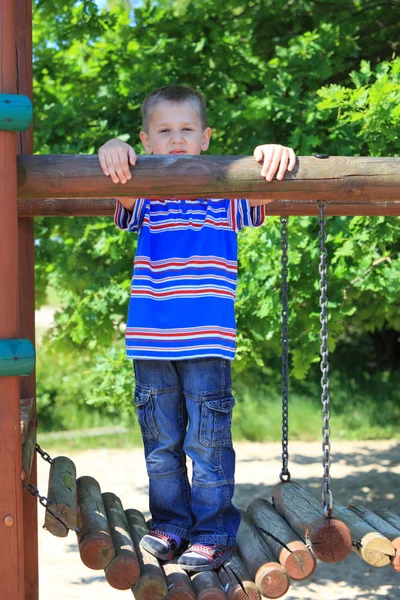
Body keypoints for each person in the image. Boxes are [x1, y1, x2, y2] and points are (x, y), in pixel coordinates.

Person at [98, 84, 296, 571]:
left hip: (207, 341)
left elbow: (268, 187)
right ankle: (169, 524)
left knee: (207, 442)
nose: (177, 139)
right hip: (150, 341)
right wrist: (110, 150)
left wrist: (274, 154)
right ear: (146, 142)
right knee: (161, 443)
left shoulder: (224, 195)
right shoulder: (146, 194)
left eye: (187, 129)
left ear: (206, 138)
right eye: (164, 131)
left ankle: (212, 530)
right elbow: (115, 181)